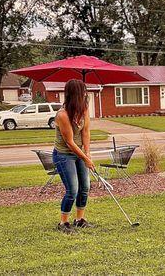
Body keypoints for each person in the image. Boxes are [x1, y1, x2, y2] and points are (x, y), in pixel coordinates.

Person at [52, 79, 95, 233]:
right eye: (82, 92)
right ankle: (63, 223)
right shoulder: (62, 115)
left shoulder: (84, 109)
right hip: (64, 155)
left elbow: (86, 132)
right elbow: (69, 142)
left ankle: (79, 220)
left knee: (85, 187)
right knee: (73, 189)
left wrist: (87, 153)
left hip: (80, 153)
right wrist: (85, 158)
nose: (85, 94)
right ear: (74, 94)